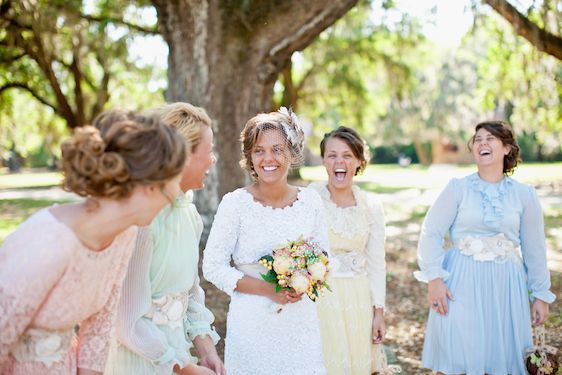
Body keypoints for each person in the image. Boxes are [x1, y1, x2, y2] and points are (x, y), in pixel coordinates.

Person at [0, 109, 188, 375]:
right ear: (151, 186)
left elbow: (100, 325)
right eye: (174, 180)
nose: (176, 192)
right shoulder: (49, 243)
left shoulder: (125, 234)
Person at [414, 120, 556, 374]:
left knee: (500, 358)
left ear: (507, 149)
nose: (482, 143)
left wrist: (540, 295)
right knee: (460, 354)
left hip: (506, 285)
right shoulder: (457, 188)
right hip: (461, 282)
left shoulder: (524, 195)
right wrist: (434, 278)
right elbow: (431, 232)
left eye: (490, 138)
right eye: (478, 139)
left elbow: (535, 249)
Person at [202, 108, 328, 375]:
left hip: (300, 323)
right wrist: (268, 290)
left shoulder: (311, 202)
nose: (268, 158)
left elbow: (326, 257)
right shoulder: (235, 204)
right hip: (252, 324)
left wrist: (305, 279)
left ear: (292, 153)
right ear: (249, 156)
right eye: (259, 150)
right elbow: (212, 266)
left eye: (277, 149)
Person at [105, 102, 224, 375]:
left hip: (177, 352)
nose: (213, 159)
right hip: (139, 360)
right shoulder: (142, 222)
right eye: (209, 151)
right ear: (182, 156)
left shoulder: (190, 215)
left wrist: (205, 349)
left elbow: (191, 293)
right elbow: (126, 321)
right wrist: (183, 368)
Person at [309, 126, 388, 375]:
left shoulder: (371, 205)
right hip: (320, 299)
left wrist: (379, 312)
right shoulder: (310, 198)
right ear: (323, 161)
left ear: (359, 162)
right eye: (332, 155)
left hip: (358, 298)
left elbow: (377, 262)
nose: (339, 162)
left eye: (347, 155)